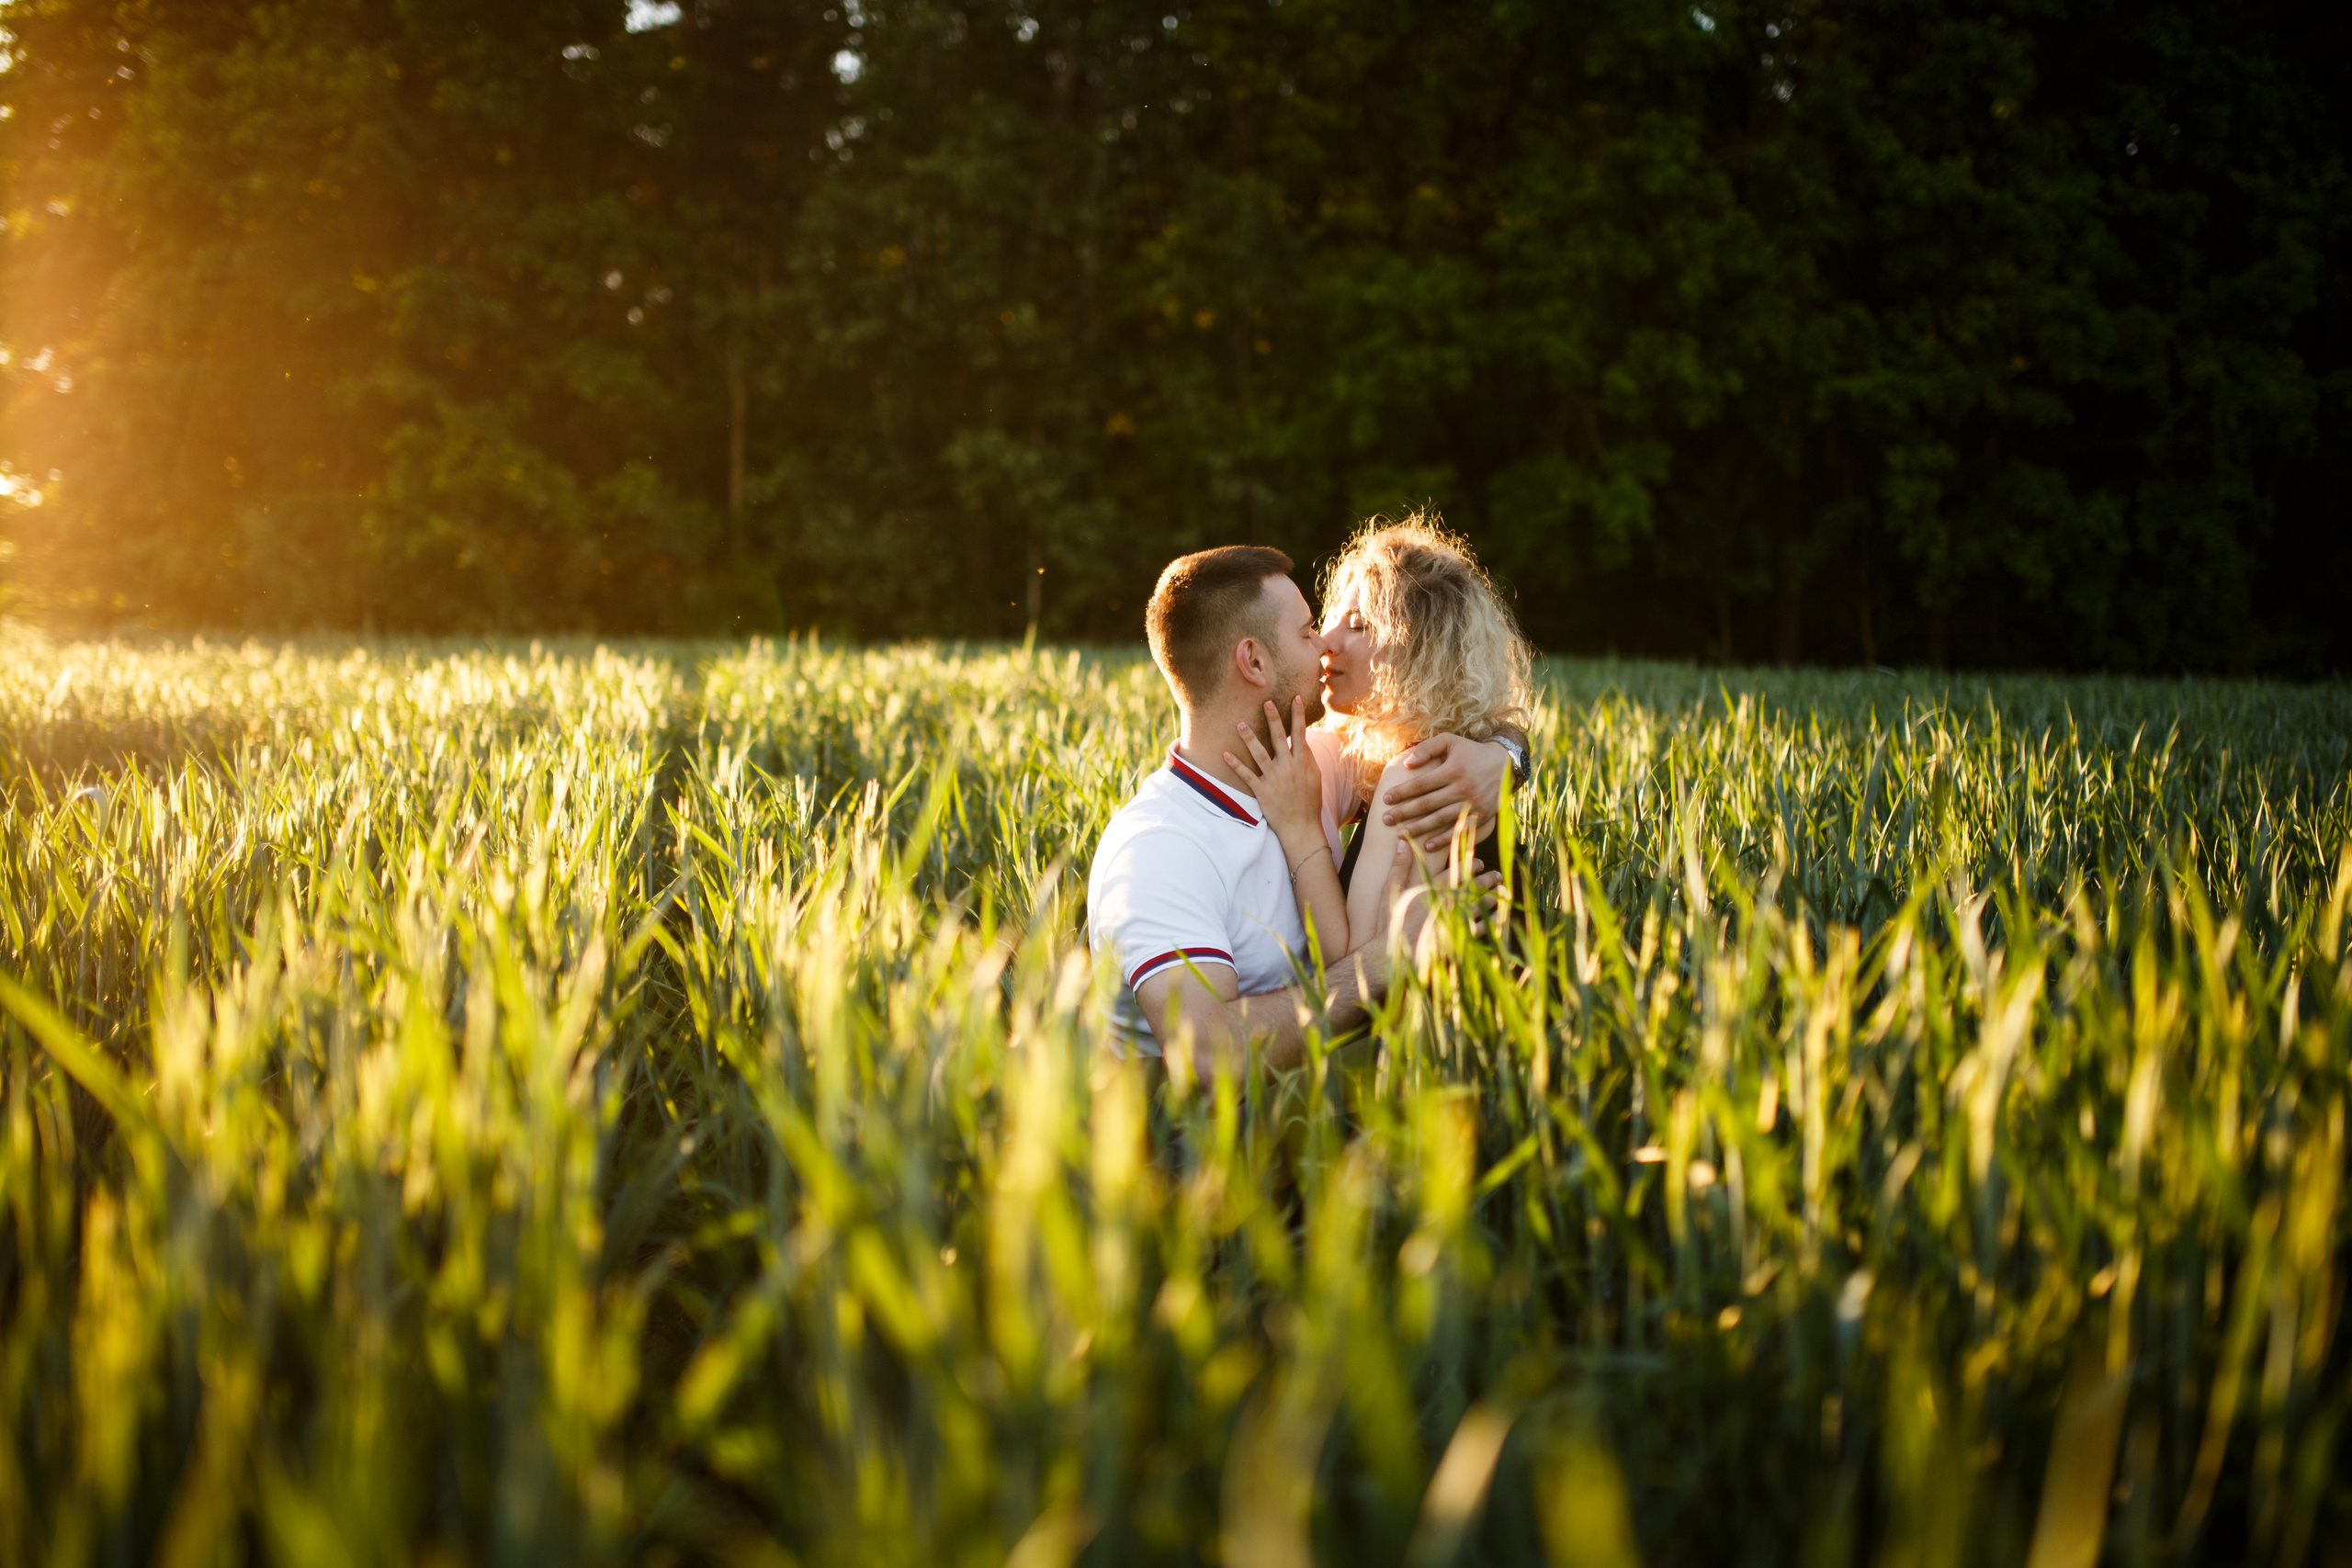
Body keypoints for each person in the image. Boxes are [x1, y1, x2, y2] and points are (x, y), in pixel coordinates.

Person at [1086, 544, 1521, 1077]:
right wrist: (1384, 961)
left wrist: (1505, 755)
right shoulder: (1159, 849)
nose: (1325, 645)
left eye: (1348, 626)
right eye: (1308, 631)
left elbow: (1438, 734)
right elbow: (1204, 1058)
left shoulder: (1308, 765)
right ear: (1254, 661)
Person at [1222, 515, 1533, 962]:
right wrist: (1509, 750)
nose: (1326, 641)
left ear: (1421, 651)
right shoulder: (1442, 752)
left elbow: (1356, 964)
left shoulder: (1421, 773)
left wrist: (1300, 829)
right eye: (1332, 621)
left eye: (1360, 626)